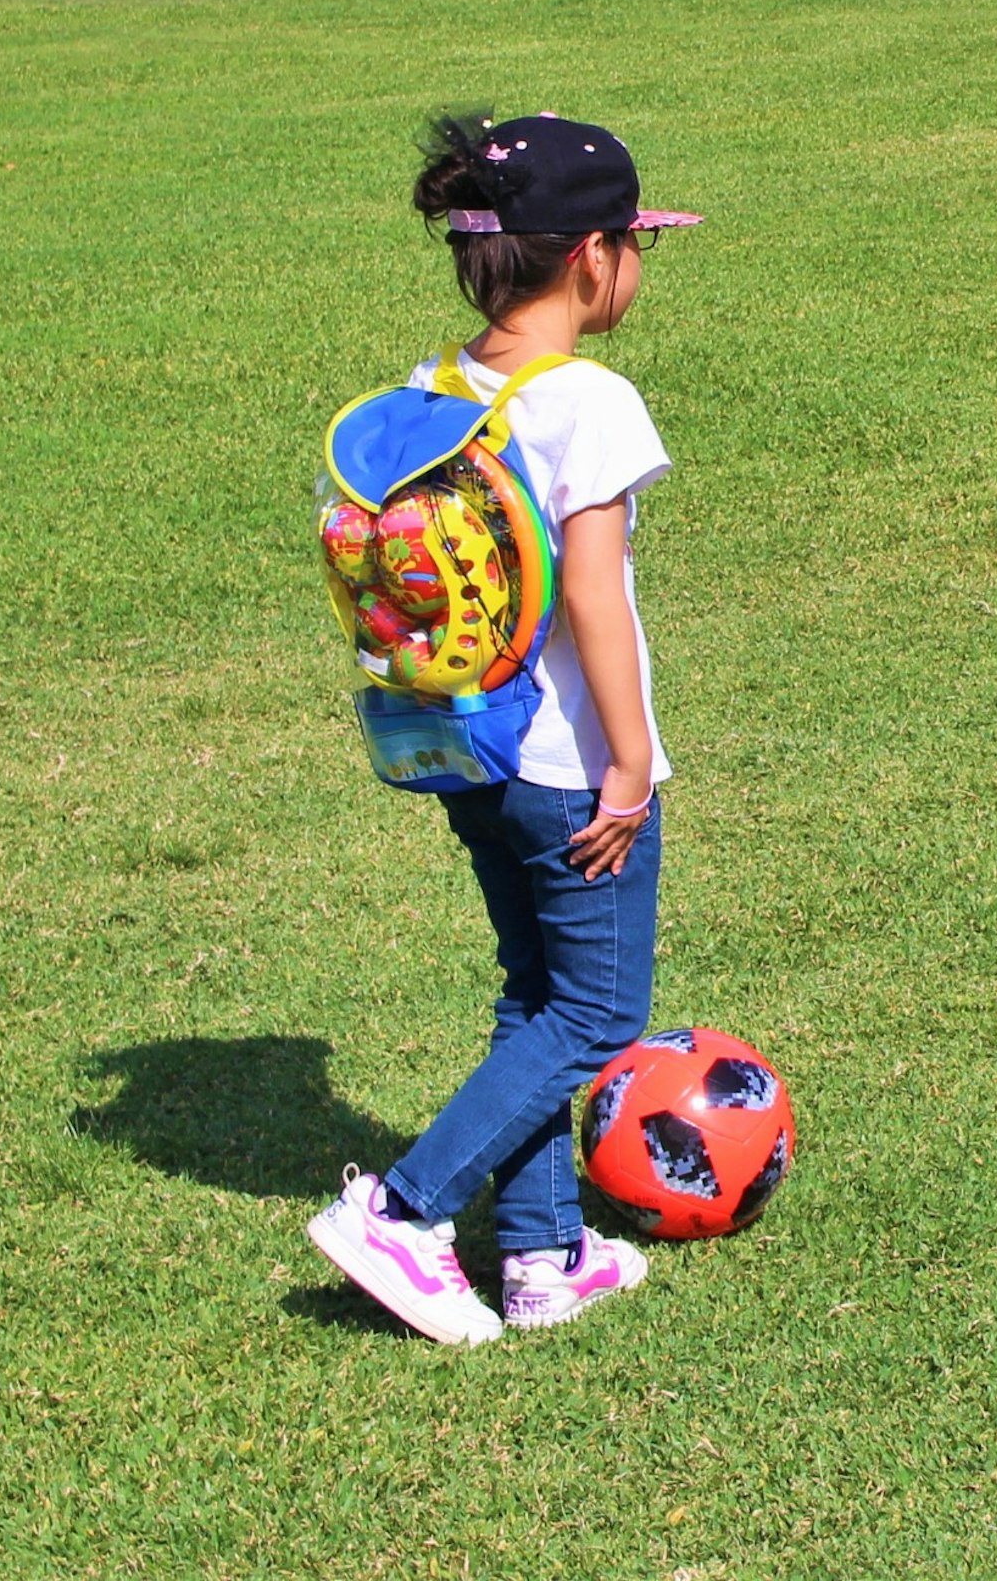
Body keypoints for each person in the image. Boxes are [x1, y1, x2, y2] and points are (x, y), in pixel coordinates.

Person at [306, 112, 700, 1342]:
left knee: (535, 994)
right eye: (639, 243)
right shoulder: (590, 399)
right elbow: (591, 597)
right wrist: (630, 764)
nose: (638, 266)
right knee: (597, 1011)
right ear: (592, 255)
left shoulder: (441, 386)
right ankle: (406, 1210)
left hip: (464, 745)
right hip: (569, 765)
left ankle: (542, 1257)